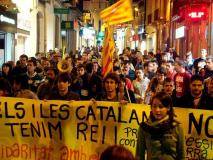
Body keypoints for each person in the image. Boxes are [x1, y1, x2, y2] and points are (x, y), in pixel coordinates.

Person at [136, 91, 185, 160]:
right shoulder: (144, 127)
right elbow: (139, 155)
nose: (157, 110)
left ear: (168, 108)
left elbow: (182, 155)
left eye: (161, 107)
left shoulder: (176, 127)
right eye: (154, 106)